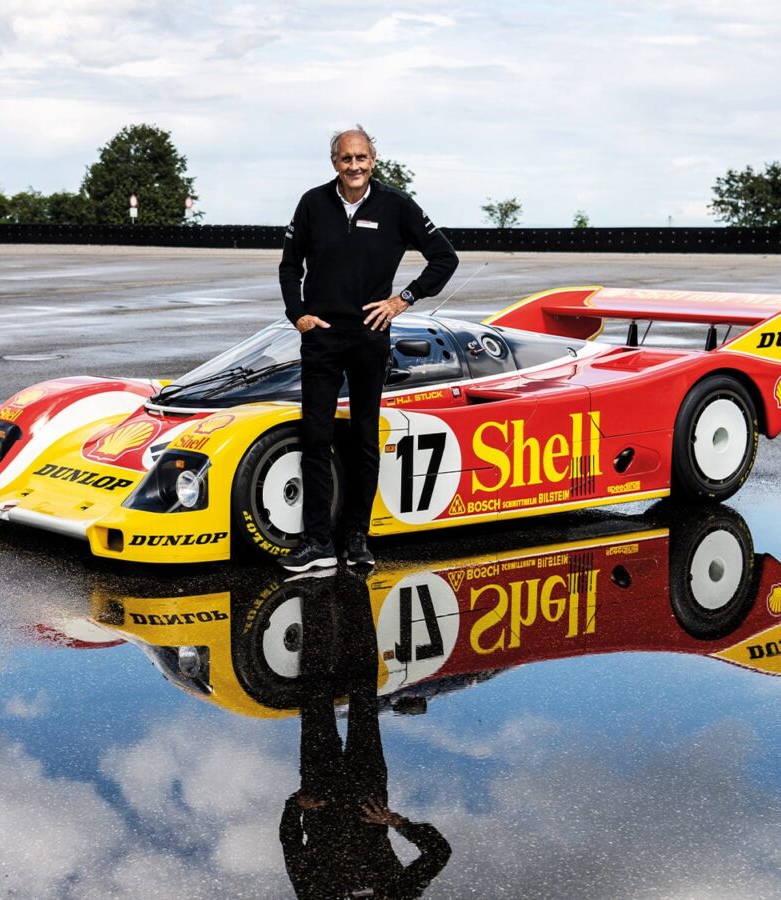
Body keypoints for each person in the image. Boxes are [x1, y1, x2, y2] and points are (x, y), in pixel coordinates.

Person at [278, 126, 458, 571]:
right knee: (316, 438)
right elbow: (288, 265)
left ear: (373, 160)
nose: (354, 166)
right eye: (345, 159)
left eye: (361, 158)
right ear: (334, 162)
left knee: (362, 438)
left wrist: (403, 300)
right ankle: (318, 540)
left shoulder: (396, 205)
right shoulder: (312, 203)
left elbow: (445, 257)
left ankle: (357, 537)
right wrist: (297, 313)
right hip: (319, 337)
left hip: (368, 336)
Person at [279, 569, 451, 898]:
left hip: (321, 787)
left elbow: (291, 844)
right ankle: (356, 587)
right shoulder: (395, 896)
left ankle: (315, 592)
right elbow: (438, 853)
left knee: (316, 689)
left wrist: (296, 805)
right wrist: (399, 824)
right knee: (362, 691)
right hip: (366, 788)